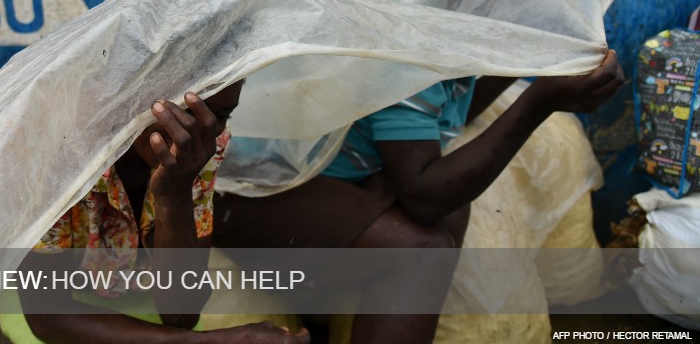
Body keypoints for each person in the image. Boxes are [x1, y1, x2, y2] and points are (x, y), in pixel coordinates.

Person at [213, 51, 625, 344]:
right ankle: (318, 300)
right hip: (243, 191)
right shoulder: (407, 59)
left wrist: (527, 56)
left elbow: (449, 115)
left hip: (301, 175)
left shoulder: (442, 49)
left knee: (448, 213)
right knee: (420, 249)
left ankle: (323, 305)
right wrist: (539, 100)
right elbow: (425, 194)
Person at [14, 80, 311, 344]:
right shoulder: (52, 150)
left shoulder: (203, 144)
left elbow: (181, 313)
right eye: (182, 112)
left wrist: (173, 194)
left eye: (220, 116)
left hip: (139, 285)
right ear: (132, 91)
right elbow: (48, 316)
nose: (197, 133)